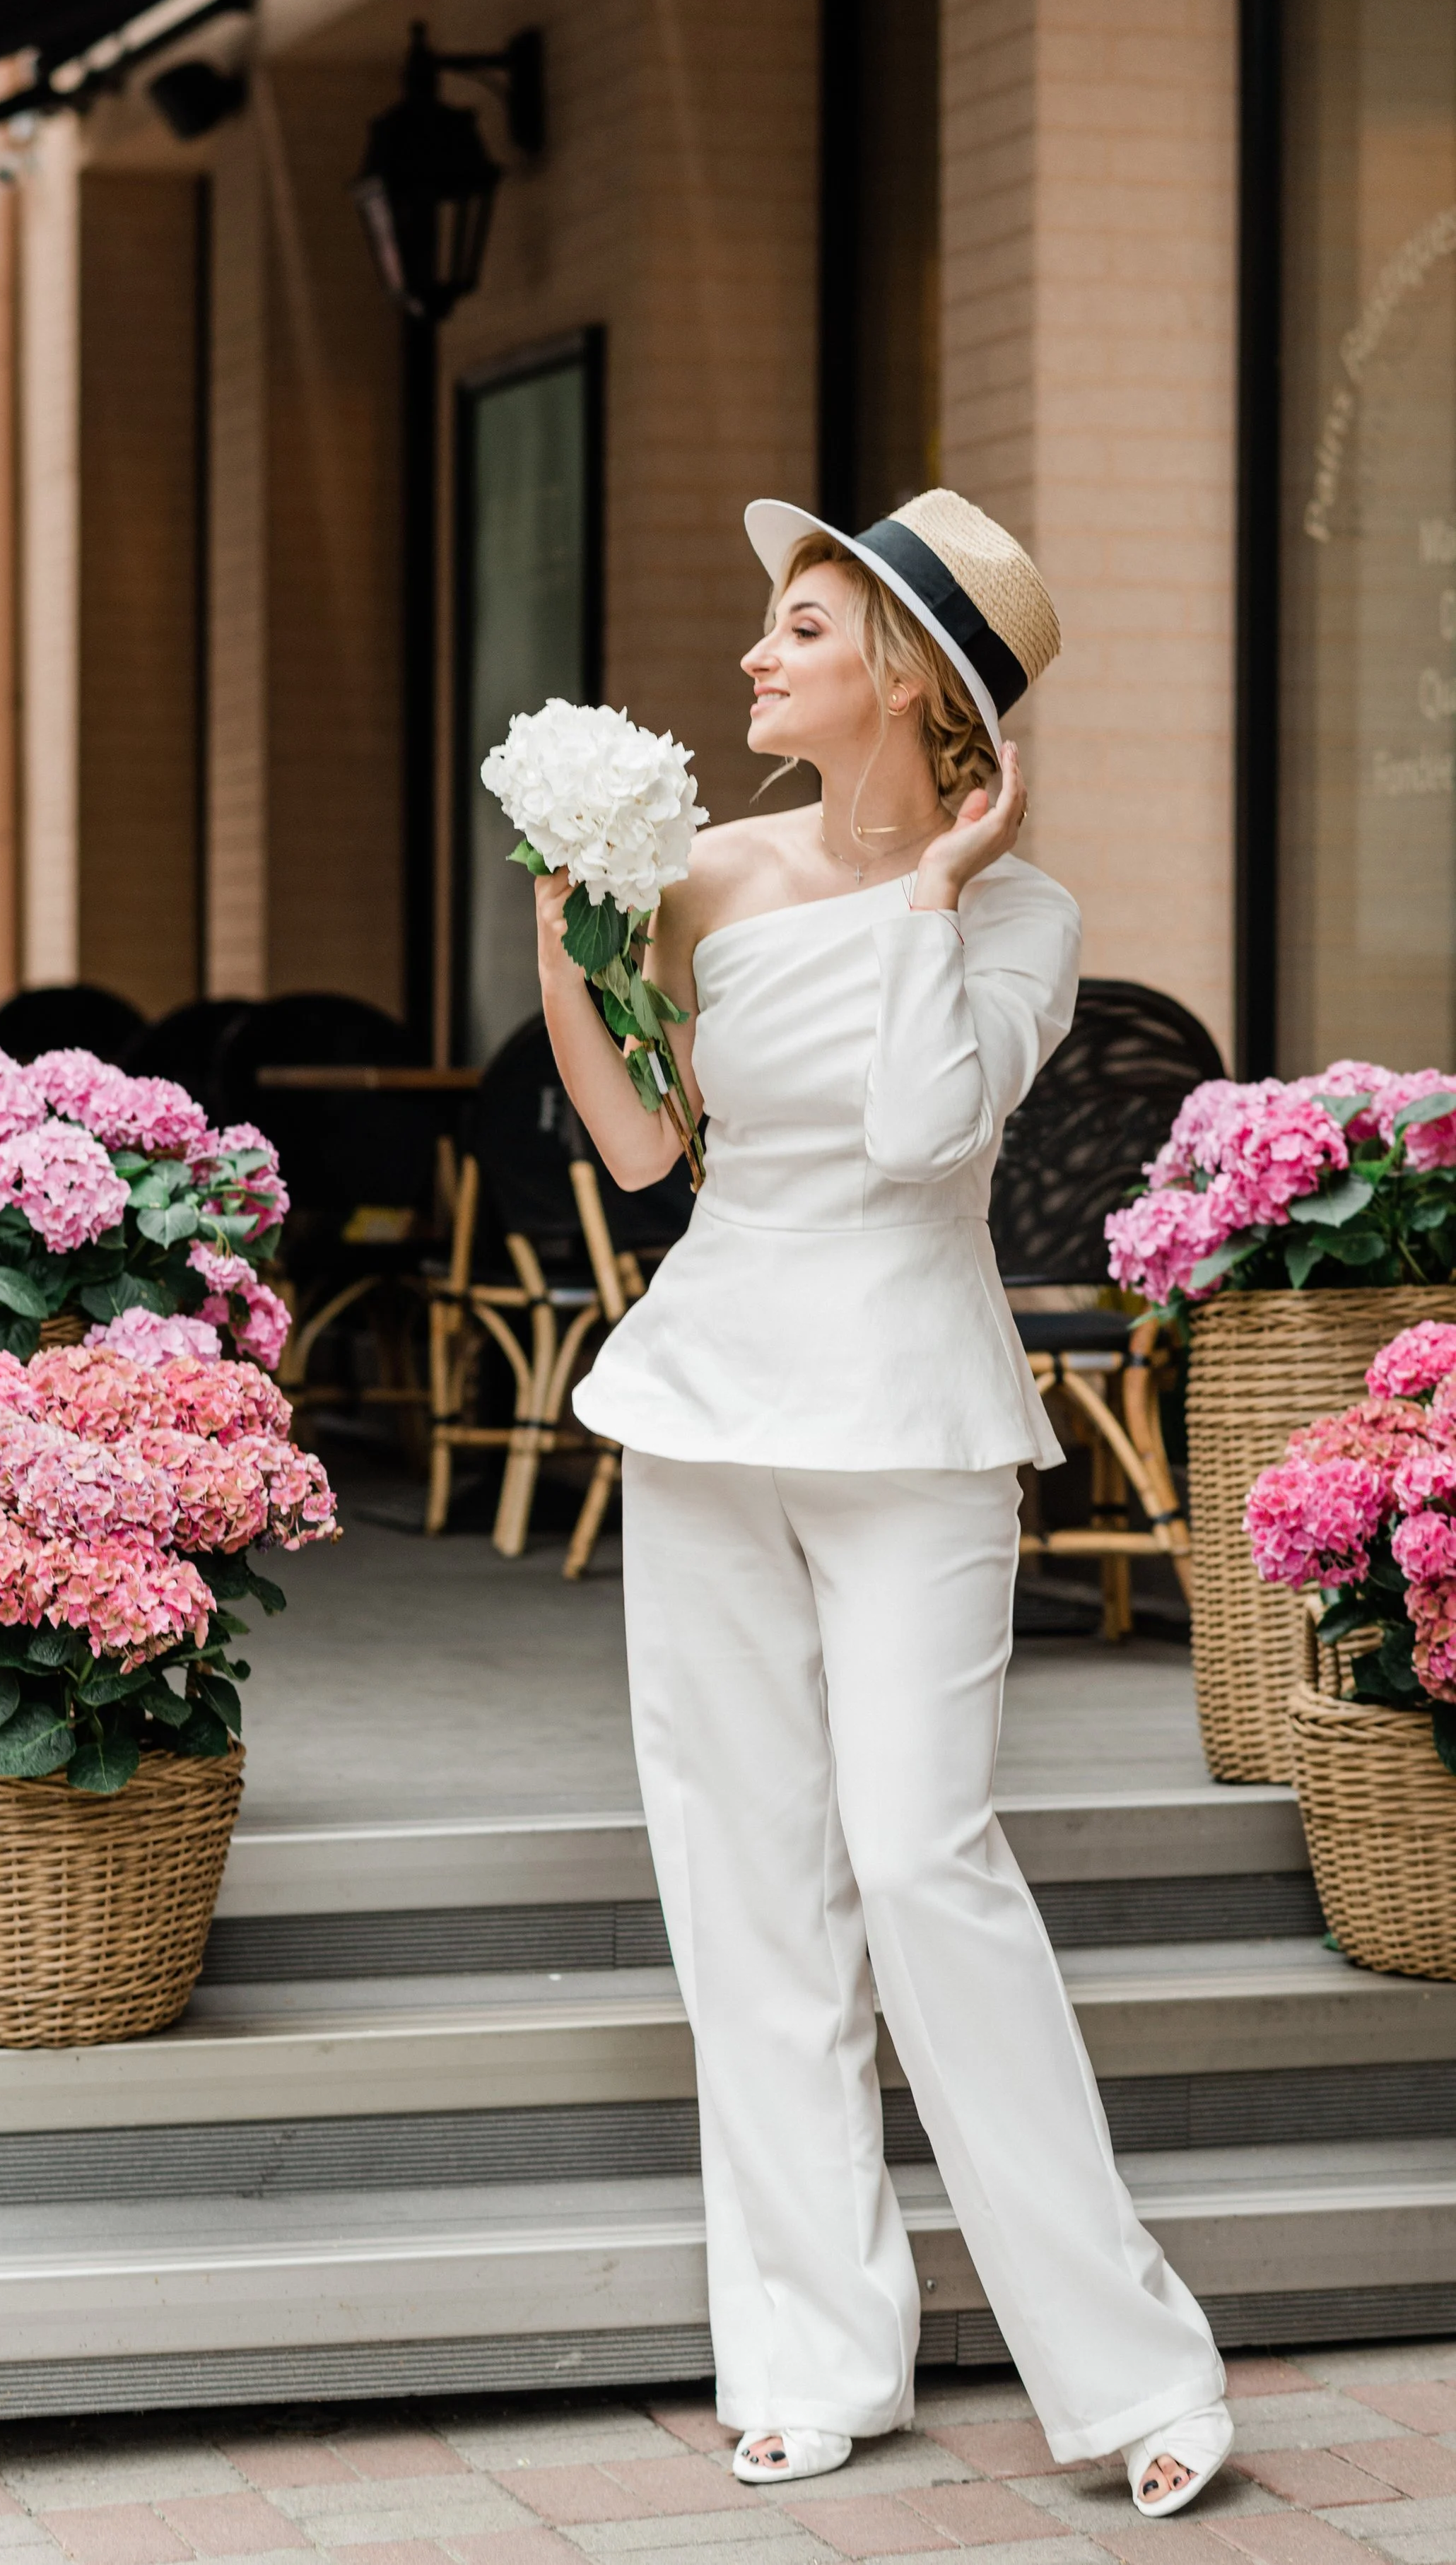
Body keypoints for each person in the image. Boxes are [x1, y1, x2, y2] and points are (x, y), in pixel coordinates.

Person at [534, 491, 1233, 2516]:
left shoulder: (1021, 914)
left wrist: (933, 893)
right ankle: (809, 2355)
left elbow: (937, 1136)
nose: (755, 656)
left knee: (923, 1862)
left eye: (803, 627)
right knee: (744, 1885)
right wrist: (567, 932)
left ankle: (1127, 2373)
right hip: (708, 1402)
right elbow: (647, 1148)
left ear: (909, 677)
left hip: (913, 1418)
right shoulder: (702, 874)